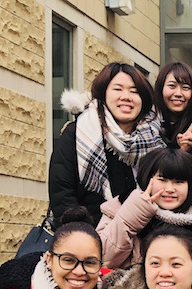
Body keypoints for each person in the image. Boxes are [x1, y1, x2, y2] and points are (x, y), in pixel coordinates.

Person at [49, 62, 165, 225]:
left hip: (145, 239)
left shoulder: (156, 138)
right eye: (118, 89)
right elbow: (62, 193)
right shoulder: (79, 133)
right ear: (103, 94)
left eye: (134, 91)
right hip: (91, 239)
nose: (126, 97)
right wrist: (82, 237)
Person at [96, 147, 192, 268]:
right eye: (162, 180)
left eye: (179, 182)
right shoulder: (120, 207)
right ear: (147, 179)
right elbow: (100, 259)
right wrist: (134, 214)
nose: (169, 189)